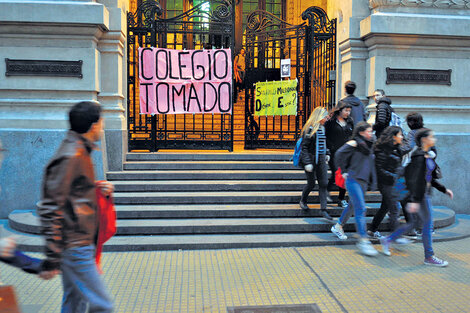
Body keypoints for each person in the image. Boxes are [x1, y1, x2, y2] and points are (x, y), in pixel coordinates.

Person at [37, 101, 114, 312]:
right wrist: (52, 256)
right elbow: (51, 206)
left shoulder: (79, 151)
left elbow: (70, 193)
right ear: (93, 126)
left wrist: (95, 188)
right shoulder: (72, 155)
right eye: (101, 122)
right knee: (102, 305)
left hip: (78, 243)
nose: (103, 126)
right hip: (75, 245)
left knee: (74, 303)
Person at [380, 128, 453, 267]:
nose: (434, 139)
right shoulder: (419, 157)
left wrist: (444, 189)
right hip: (420, 196)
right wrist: (414, 200)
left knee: (414, 223)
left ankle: (388, 240)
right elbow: (414, 180)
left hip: (422, 194)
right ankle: (429, 257)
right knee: (427, 225)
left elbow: (429, 178)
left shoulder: (426, 155)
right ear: (424, 139)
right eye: (432, 137)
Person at [333, 122, 378, 255]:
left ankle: (338, 225)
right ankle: (363, 241)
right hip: (353, 180)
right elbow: (338, 155)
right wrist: (344, 171)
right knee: (361, 208)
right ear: (361, 132)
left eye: (371, 131)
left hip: (363, 181)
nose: (371, 133)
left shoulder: (369, 145)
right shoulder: (354, 143)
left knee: (352, 205)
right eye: (368, 131)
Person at [367, 126, 408, 241]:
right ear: (393, 136)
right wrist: (393, 176)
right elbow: (379, 169)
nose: (402, 137)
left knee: (385, 207)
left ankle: (372, 229)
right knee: (394, 208)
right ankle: (396, 236)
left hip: (393, 182)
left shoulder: (397, 148)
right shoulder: (382, 149)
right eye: (400, 134)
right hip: (385, 183)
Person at [299, 107, 333, 221]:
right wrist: (307, 162)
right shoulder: (309, 129)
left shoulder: (323, 128)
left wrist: (327, 153)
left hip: (321, 160)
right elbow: (304, 147)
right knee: (311, 183)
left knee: (323, 183)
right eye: (325, 116)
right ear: (319, 116)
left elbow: (325, 142)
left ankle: (323, 210)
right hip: (311, 159)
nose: (326, 119)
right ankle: (303, 200)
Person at [324, 100, 354, 208]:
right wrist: (329, 147)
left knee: (344, 175)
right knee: (336, 173)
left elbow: (352, 135)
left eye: (349, 111)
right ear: (340, 110)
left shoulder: (350, 122)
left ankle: (341, 199)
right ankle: (326, 191)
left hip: (346, 153)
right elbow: (325, 136)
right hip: (334, 153)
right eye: (346, 110)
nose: (348, 113)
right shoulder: (331, 122)